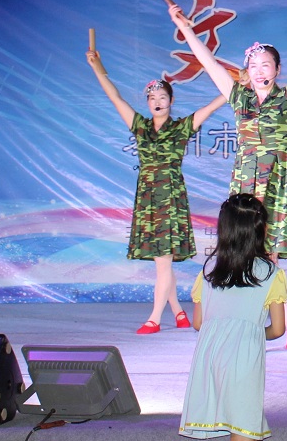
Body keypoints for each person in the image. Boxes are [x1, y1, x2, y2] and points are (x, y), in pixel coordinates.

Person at [168, 0, 287, 347]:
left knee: (269, 254)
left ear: (277, 69)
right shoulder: (238, 97)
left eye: (266, 64)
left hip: (277, 180)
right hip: (246, 181)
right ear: (247, 70)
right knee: (245, 250)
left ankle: (281, 321)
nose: (260, 69)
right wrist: (187, 30)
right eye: (253, 64)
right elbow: (209, 62)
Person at [86, 47, 225, 334]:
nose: (157, 102)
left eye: (163, 97)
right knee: (162, 263)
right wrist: (97, 68)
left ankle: (154, 318)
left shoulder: (181, 127)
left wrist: (237, 85)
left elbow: (213, 106)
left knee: (163, 262)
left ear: (171, 101)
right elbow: (115, 97)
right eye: (152, 98)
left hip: (170, 198)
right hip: (147, 197)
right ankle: (179, 313)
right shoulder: (140, 126)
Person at [179, 193, 287, 441]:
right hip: (243, 363)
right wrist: (253, 332)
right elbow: (278, 329)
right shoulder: (270, 273)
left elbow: (199, 322)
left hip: (210, 359)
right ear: (260, 230)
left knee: (240, 439)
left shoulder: (210, 270)